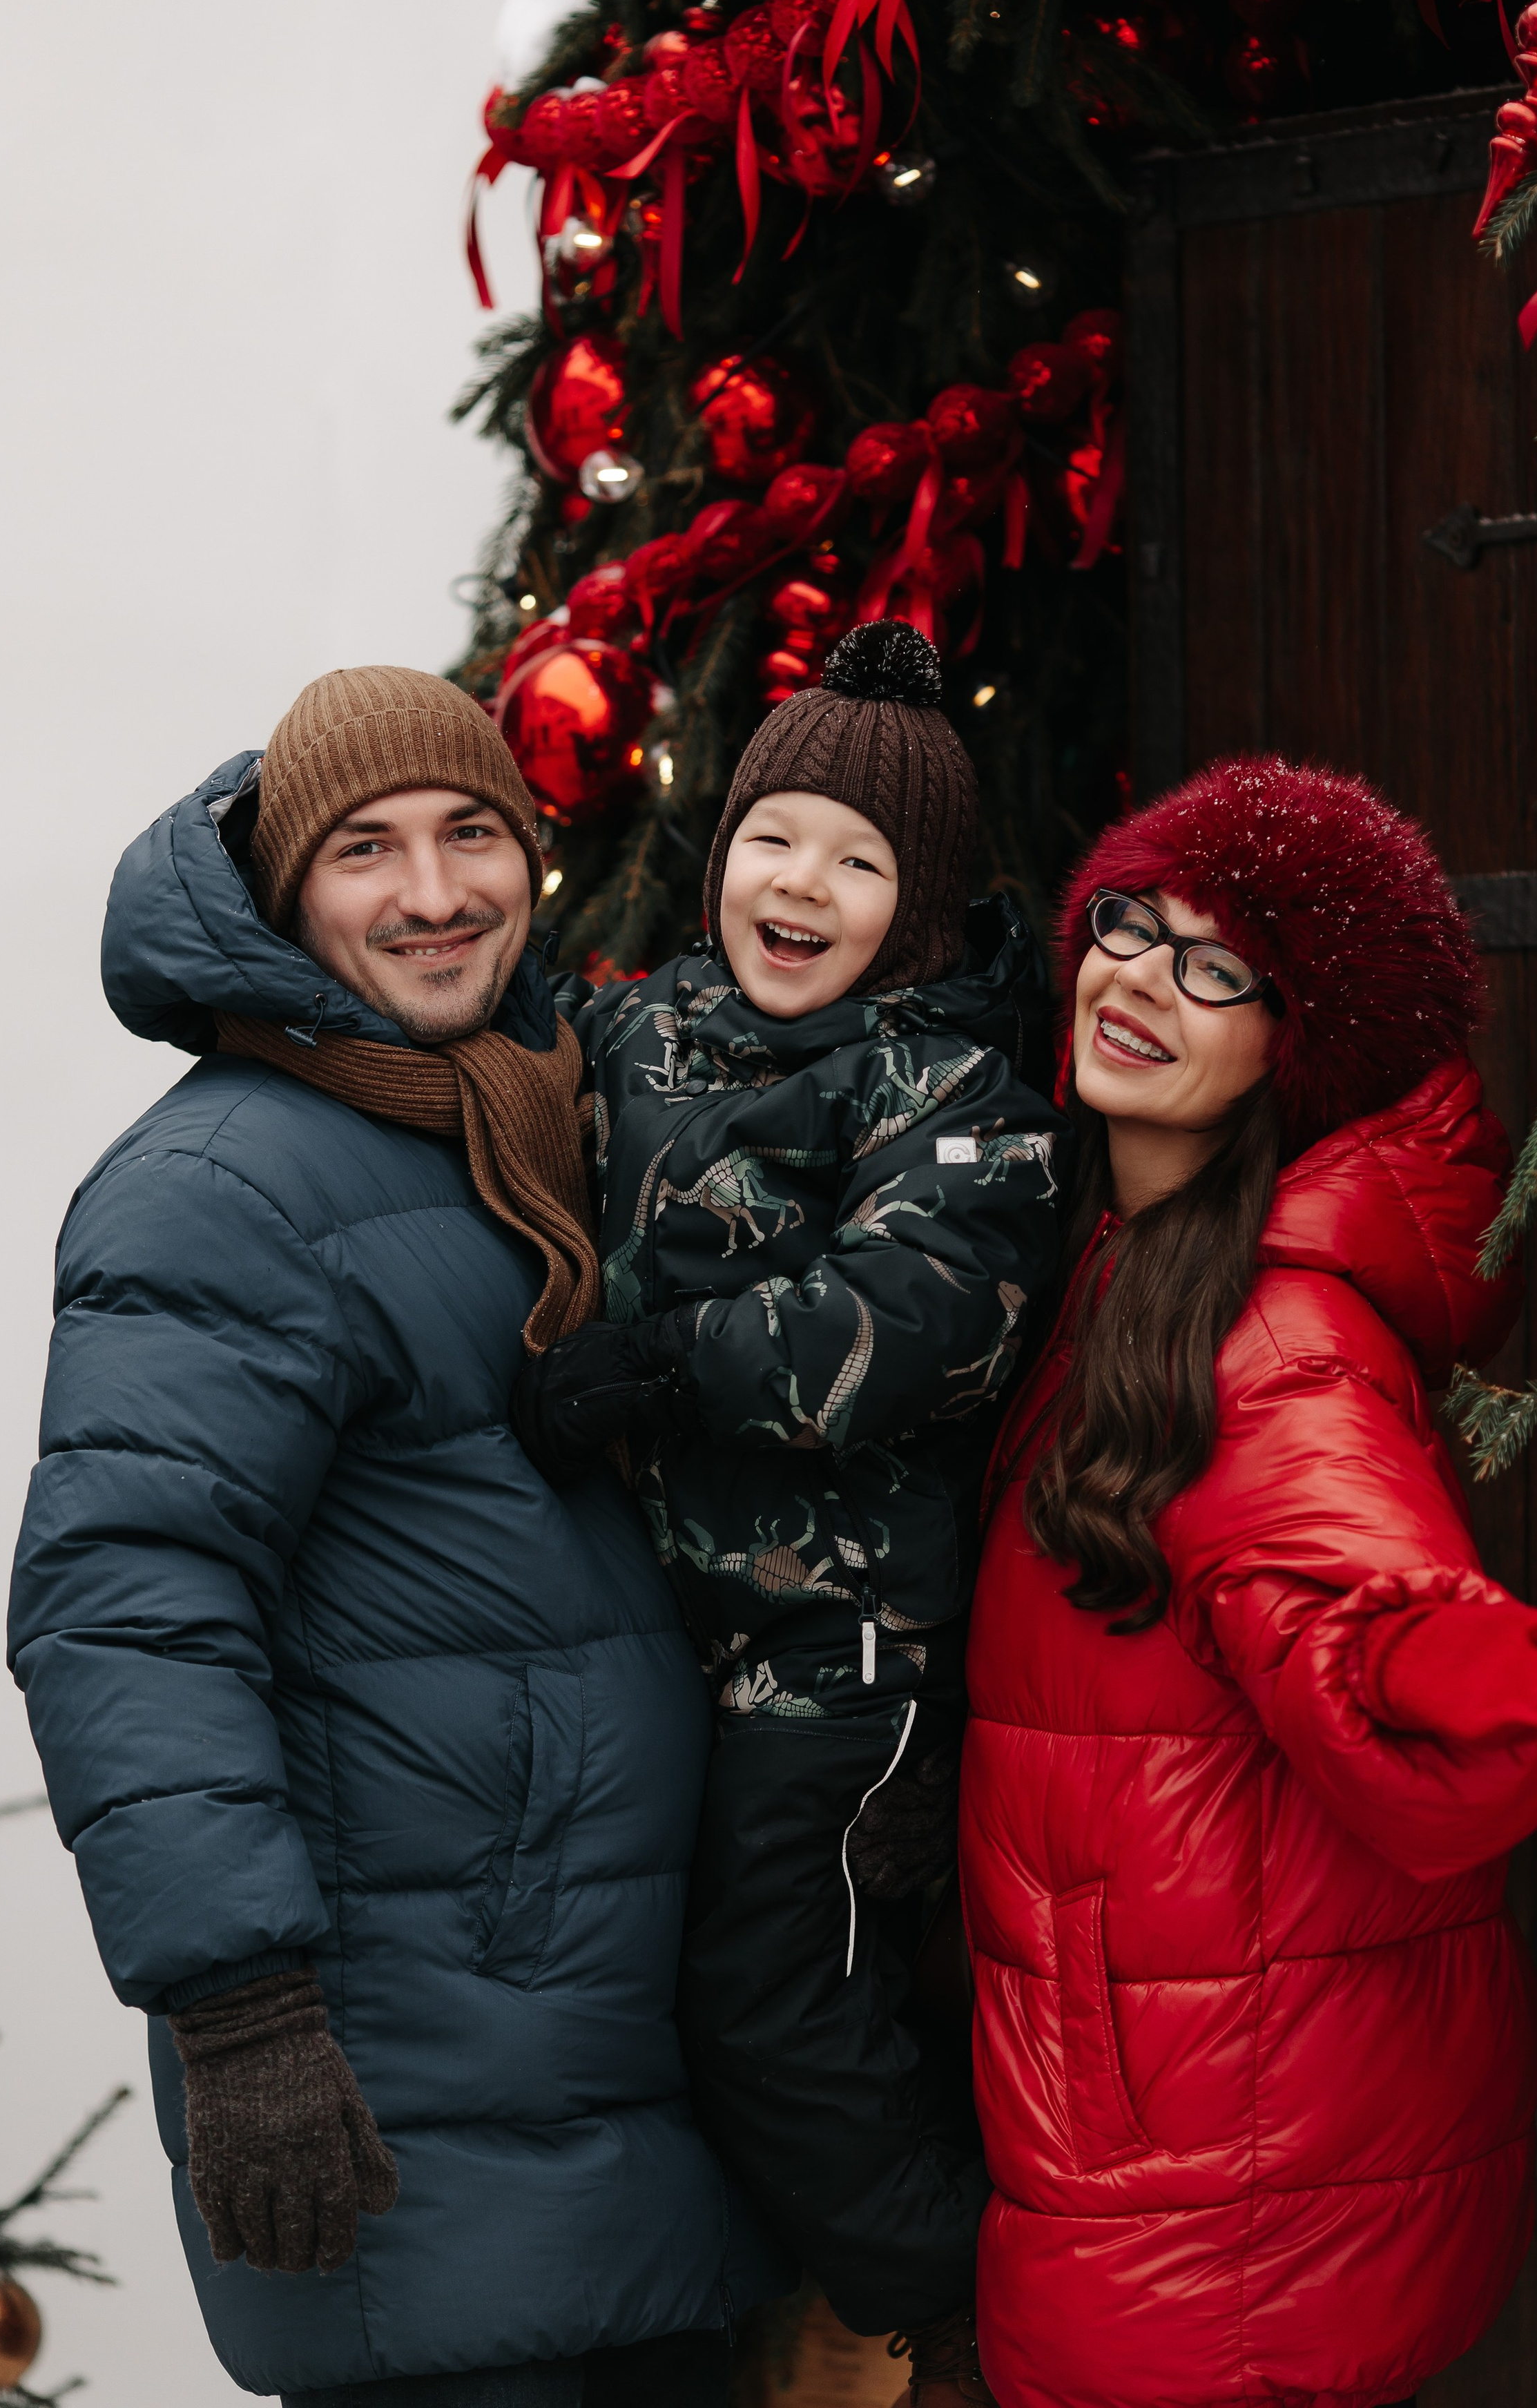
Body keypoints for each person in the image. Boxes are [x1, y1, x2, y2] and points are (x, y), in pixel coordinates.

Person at [9, 666, 784, 2408]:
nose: (433, 895)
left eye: (468, 836)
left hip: (608, 2070)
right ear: (287, 893)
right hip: (408, 2099)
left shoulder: (526, 1126)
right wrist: (241, 2012)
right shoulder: (222, 1189)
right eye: (364, 850)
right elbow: (125, 1606)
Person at [959, 755, 1537, 2408]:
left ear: (1298, 1047)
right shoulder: (1112, 1264)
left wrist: (1415, 1663)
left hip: (1218, 2199)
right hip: (1199, 2141)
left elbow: (1326, 1566)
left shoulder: (1268, 1337)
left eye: (1220, 965)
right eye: (1128, 925)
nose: (1143, 978)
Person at [513, 624, 1067, 2408]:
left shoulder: (954, 1090)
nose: (800, 885)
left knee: (771, 2002)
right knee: (672, 1997)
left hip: (839, 1654)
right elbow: (495, 1057)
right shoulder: (640, 1026)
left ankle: (976, 2323)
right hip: (670, 1641)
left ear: (919, 912)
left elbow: (909, 1318)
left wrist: (665, 1363)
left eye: (858, 861)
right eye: (772, 837)